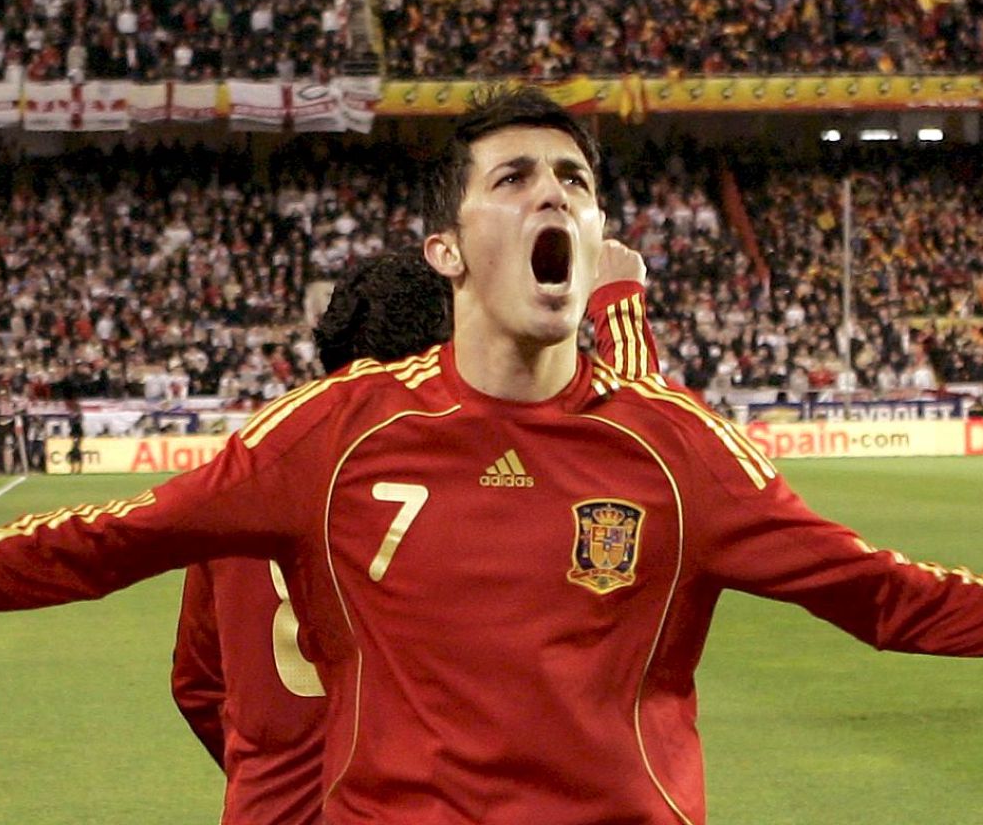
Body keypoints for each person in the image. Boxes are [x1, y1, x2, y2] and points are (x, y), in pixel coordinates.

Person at [0, 87, 983, 824]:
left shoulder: (679, 451)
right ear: (454, 249)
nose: (552, 198)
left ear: (595, 238)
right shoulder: (333, 436)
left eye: (574, 181)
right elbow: (104, 544)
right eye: (515, 178)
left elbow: (881, 594)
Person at [170, 245, 654, 825]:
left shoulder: (250, 473)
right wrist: (619, 307)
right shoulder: (488, 479)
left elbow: (197, 683)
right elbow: (643, 458)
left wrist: (269, 772)